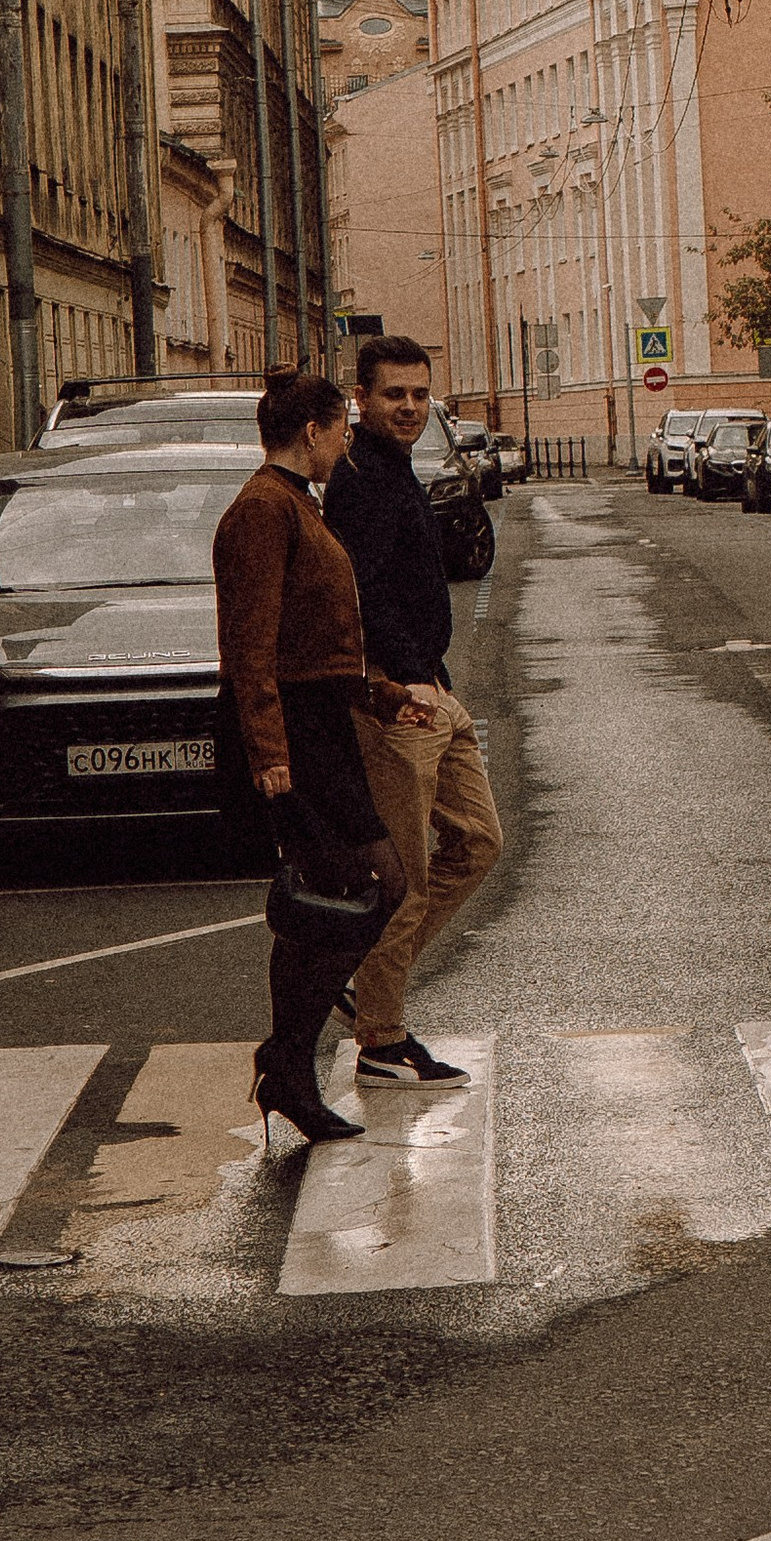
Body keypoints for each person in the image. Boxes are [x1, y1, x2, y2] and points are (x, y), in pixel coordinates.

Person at [213, 366, 435, 1148]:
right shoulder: (262, 512)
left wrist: (379, 696)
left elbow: (319, 642)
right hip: (294, 735)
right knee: (358, 888)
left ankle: (287, 1062)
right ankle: (288, 1064)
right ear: (312, 431)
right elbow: (251, 646)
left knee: (358, 891)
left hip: (322, 723)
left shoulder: (292, 504)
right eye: (341, 428)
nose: (347, 442)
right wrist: (269, 751)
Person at [326, 331, 504, 1087]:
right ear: (360, 399)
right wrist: (408, 677)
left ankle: (368, 983)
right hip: (400, 703)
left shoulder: (397, 469)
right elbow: (359, 593)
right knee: (406, 872)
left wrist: (436, 676)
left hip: (434, 687)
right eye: (393, 394)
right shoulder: (360, 478)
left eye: (419, 394)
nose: (408, 407)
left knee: (479, 841)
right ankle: (381, 1040)